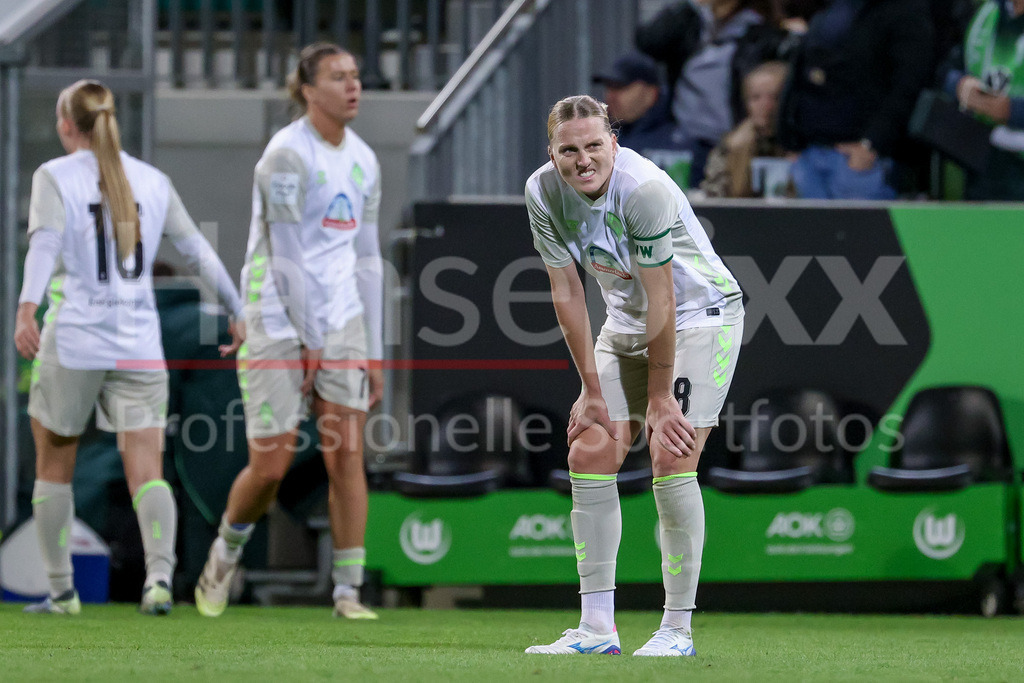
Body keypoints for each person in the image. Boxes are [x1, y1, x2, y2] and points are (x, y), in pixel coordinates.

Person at [13, 79, 244, 616]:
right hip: (140, 343)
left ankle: (61, 592)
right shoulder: (152, 180)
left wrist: (26, 308)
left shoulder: (55, 176)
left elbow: (44, 245)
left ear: (68, 125)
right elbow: (197, 250)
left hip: (74, 341)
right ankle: (159, 580)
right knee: (147, 467)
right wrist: (237, 309)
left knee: (55, 464)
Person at [523, 95, 744, 656]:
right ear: (552, 153)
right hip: (625, 321)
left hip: (699, 316)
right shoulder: (542, 191)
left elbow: (662, 297)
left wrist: (662, 397)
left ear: (613, 144)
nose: (583, 159)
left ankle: (676, 630)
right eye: (568, 149)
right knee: (589, 452)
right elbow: (566, 290)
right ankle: (597, 629)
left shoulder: (643, 189)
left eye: (594, 145)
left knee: (672, 454)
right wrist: (590, 390)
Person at [194, 42, 384, 620]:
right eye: (337, 77)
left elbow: (367, 256)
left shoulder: (365, 159)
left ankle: (348, 592)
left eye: (356, 76)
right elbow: (287, 255)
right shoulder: (285, 155)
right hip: (277, 316)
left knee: (346, 452)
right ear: (306, 89)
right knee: (270, 467)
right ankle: (224, 555)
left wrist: (374, 348)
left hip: (342, 317)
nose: (353, 86)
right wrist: (309, 338)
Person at [777, 0, 934, 199]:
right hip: (810, 154)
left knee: (860, 230)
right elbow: (802, 73)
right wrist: (790, 141)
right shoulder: (830, 8)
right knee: (805, 230)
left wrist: (872, 144)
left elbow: (910, 84)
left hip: (861, 161)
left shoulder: (903, 10)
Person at [636, 0, 790, 186]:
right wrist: (691, 4)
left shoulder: (760, 32)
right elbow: (649, 41)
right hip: (687, 141)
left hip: (733, 142)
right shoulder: (693, 24)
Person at [940, 0, 1024, 201]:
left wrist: (1013, 110)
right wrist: (960, 85)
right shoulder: (986, 12)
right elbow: (945, 69)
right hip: (983, 153)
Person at [592, 51, 692, 188]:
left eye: (620, 87)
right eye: (608, 87)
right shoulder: (597, 138)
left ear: (651, 93)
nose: (611, 96)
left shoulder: (687, 138)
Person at [701, 61, 789, 197]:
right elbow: (713, 200)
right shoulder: (730, 146)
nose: (765, 105)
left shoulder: (806, 150)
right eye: (755, 98)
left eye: (775, 97)